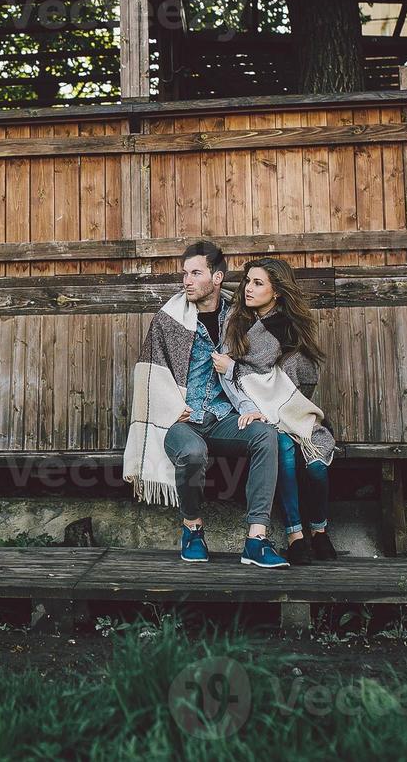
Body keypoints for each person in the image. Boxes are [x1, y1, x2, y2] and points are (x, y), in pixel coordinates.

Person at [121, 239, 290, 569]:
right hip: (180, 420)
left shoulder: (238, 319)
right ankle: (193, 529)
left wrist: (250, 406)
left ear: (216, 278)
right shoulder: (167, 321)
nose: (186, 280)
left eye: (195, 273)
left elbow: (258, 368)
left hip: (223, 415)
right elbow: (148, 375)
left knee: (265, 436)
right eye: (184, 273)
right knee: (193, 452)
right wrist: (171, 406)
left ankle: (256, 540)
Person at [221, 257, 338, 565]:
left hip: (293, 411)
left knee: (314, 464)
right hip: (258, 414)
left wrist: (234, 368)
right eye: (247, 281)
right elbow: (251, 372)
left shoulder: (282, 326)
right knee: (282, 446)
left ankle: (319, 531)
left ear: (277, 292)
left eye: (258, 283)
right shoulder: (239, 321)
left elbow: (294, 374)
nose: (248, 288)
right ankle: (296, 536)